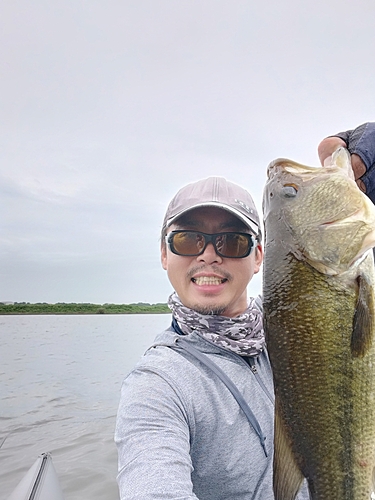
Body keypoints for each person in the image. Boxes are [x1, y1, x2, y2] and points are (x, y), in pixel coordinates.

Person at [115, 123, 375, 500]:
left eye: (232, 241)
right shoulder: (158, 385)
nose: (208, 255)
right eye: (187, 239)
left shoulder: (294, 332)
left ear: (258, 257)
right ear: (163, 254)